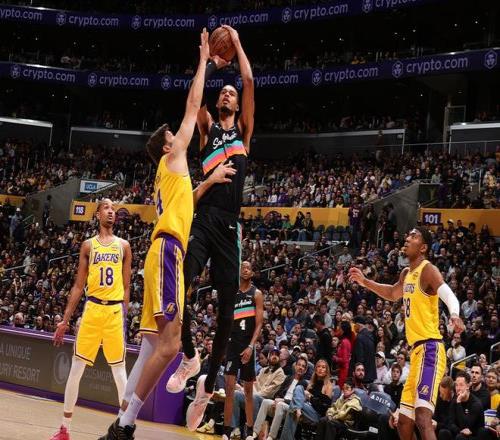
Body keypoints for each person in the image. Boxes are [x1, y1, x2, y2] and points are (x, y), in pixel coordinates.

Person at [98, 30, 236, 440]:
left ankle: (123, 416)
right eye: (174, 136)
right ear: (166, 147)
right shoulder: (173, 155)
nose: (180, 136)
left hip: (161, 251)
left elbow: (186, 203)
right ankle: (125, 425)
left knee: (153, 342)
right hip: (168, 252)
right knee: (171, 346)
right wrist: (205, 62)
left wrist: (208, 181)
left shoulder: (170, 176)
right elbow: (194, 105)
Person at [166, 24, 255, 432]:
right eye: (224, 93)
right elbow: (194, 98)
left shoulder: (244, 133)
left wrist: (237, 44)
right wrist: (208, 62)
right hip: (203, 218)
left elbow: (249, 79)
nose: (227, 95)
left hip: (230, 227)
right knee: (181, 284)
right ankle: (189, 356)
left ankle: (208, 383)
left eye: (231, 94)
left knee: (226, 311)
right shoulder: (207, 127)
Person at [349, 226, 464, 440]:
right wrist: (365, 282)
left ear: (423, 247)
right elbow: (392, 293)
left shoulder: (428, 269)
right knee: (403, 421)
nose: (407, 238)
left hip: (431, 349)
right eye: (408, 234)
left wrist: (455, 314)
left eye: (414, 236)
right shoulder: (406, 273)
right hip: (416, 354)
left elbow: (448, 294)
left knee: (422, 417)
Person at [50, 199, 132, 440]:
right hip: (92, 310)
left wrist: (124, 315)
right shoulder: (88, 245)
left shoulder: (124, 246)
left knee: (119, 373)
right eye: (106, 208)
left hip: (114, 312)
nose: (111, 212)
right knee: (76, 370)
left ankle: (125, 431)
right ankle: (64, 429)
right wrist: (65, 320)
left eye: (113, 209)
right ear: (97, 214)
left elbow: (127, 287)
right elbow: (78, 286)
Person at [223, 261, 264, 440]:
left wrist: (251, 346)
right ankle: (226, 430)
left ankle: (249, 429)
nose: (245, 270)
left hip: (248, 345)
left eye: (249, 268)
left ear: (252, 273)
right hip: (232, 344)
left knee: (248, 391)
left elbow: (259, 324)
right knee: (229, 388)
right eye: (243, 267)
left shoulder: (257, 294)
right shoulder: (233, 293)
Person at [253, 357, 309, 440]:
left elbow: (298, 401)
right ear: (295, 366)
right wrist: (276, 399)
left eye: (303, 366)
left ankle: (271, 437)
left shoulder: (304, 383)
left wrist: (283, 400)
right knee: (265, 402)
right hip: (280, 403)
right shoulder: (289, 378)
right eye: (299, 365)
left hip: (290, 407)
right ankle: (255, 432)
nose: (300, 367)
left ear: (305, 370)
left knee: (280, 405)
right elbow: (279, 392)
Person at [279, 359, 334, 440]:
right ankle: (297, 409)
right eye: (318, 366)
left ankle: (297, 409)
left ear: (326, 371)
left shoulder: (328, 386)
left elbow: (323, 408)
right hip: (305, 408)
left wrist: (310, 397)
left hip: (316, 415)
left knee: (294, 406)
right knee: (299, 388)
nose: (320, 369)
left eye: (323, 367)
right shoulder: (311, 384)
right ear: (315, 369)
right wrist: (305, 399)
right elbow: (302, 399)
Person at [438, 371, 484, 440]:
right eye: (456, 385)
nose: (458, 388)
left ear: (468, 386)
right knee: (443, 432)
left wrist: (459, 402)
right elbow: (450, 423)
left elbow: (466, 425)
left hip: (474, 435)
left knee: (460, 437)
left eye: (461, 385)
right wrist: (459, 431)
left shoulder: (476, 404)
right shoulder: (455, 400)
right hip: (459, 433)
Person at [349, 315, 376, 384]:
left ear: (358, 325)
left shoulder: (359, 338)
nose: (353, 327)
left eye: (354, 325)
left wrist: (358, 373)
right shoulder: (370, 335)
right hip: (370, 374)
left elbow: (360, 358)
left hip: (362, 376)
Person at [332, 320, 352, 388]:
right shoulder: (346, 341)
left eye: (339, 328)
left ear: (343, 330)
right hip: (342, 370)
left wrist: (335, 358)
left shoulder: (344, 342)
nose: (338, 329)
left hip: (343, 372)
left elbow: (344, 360)